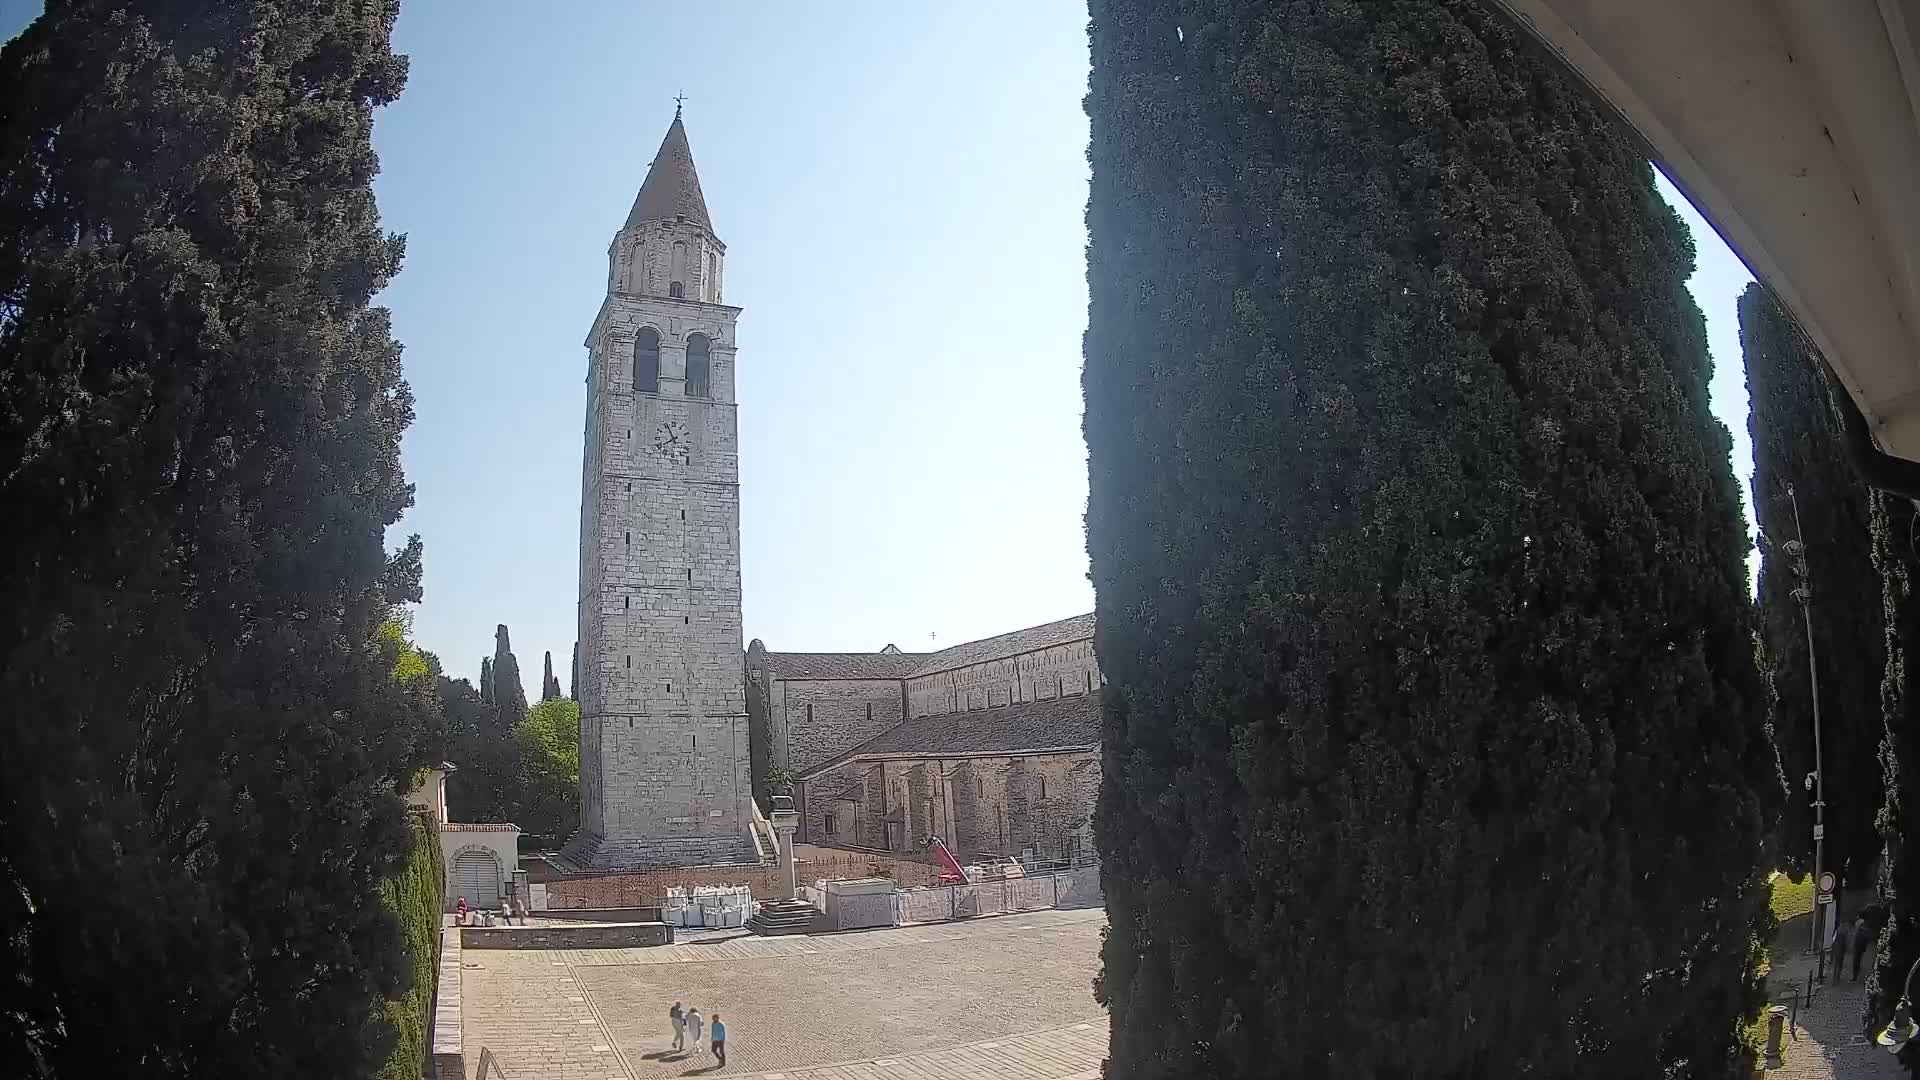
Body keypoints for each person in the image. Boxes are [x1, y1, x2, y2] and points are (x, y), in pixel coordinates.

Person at [1831, 910, 1854, 983]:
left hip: (1837, 947)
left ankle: (1835, 977)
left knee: (1836, 962)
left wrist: (1833, 945)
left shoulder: (1840, 928)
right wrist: (1849, 947)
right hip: (1841, 947)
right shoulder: (1847, 928)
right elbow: (1849, 938)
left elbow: (1834, 938)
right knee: (1839, 962)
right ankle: (1837, 976)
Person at [1855, 912, 1874, 981]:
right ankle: (1861, 976)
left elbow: (1856, 931)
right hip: (1863, 943)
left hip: (1858, 943)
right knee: (1860, 959)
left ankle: (1855, 976)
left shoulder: (1860, 922)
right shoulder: (1866, 923)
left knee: (1857, 960)